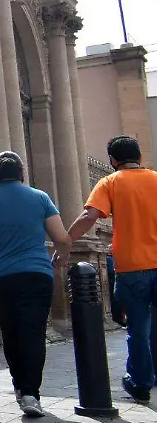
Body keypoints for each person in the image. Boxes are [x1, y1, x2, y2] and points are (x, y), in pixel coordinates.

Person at [0, 151, 71, 417]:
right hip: (36, 274)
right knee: (33, 332)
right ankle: (31, 393)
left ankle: (19, 387)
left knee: (10, 332)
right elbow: (61, 237)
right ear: (22, 172)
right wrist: (61, 257)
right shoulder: (40, 197)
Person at [66, 136, 157, 403]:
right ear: (139, 157)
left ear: (112, 161)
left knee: (138, 328)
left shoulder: (110, 182)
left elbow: (90, 216)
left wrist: (64, 244)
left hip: (132, 268)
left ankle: (140, 383)